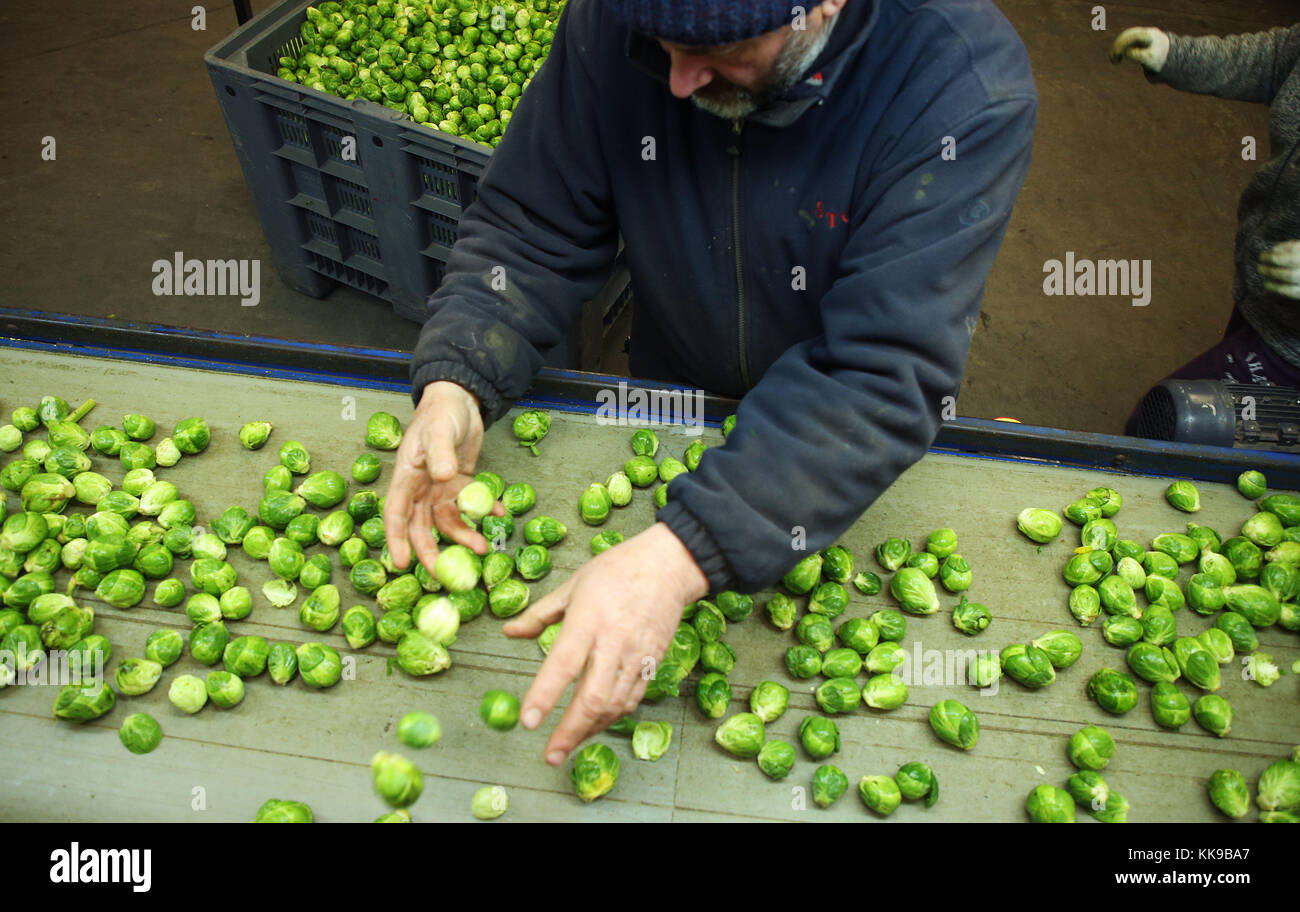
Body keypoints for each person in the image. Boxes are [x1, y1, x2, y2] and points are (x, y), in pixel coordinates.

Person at [384, 0, 1036, 767]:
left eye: (717, 49)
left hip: (843, 441)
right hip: (674, 392)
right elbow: (534, 223)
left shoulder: (957, 81)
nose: (681, 80)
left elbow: (882, 368)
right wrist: (460, 377)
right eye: (660, 48)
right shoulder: (616, 16)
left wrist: (681, 556)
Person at [1111, 24, 1300, 405]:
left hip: (1291, 348)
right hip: (1269, 297)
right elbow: (1278, 59)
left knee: (1165, 428)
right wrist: (1174, 55)